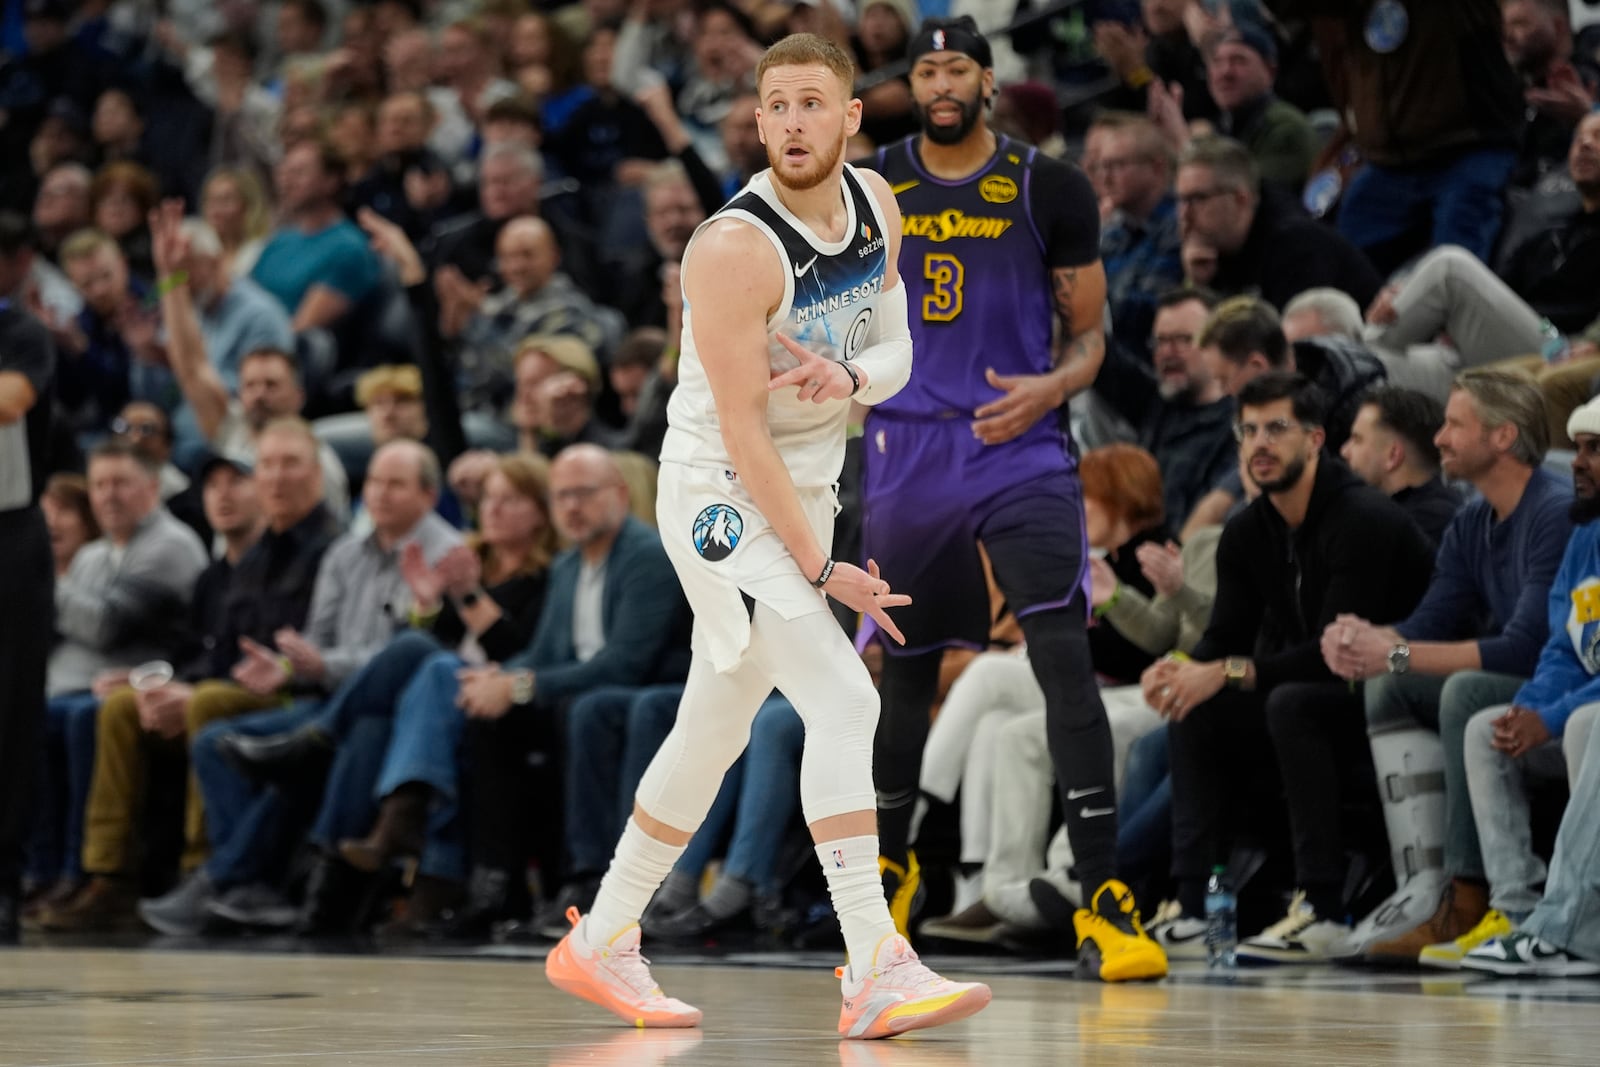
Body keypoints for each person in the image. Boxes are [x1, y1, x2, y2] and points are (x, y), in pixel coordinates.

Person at [545, 33, 992, 1039]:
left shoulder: (878, 205)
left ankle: (604, 933)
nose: (792, 122)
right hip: (717, 497)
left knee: (713, 726)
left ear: (849, 118)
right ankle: (875, 959)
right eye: (774, 106)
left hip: (801, 489)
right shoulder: (732, 247)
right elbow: (743, 434)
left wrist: (851, 379)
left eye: (810, 104)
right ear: (757, 123)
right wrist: (823, 564)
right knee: (842, 696)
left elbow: (898, 349)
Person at [864, 15, 1167, 982]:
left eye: (958, 65)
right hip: (907, 450)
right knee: (907, 675)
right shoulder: (872, 185)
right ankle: (890, 867)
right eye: (926, 67)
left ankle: (1106, 897)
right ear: (913, 85)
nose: (941, 80)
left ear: (990, 82)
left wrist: (1053, 385)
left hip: (1020, 445)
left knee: (1062, 660)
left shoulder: (1050, 184)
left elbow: (1089, 332)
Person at [0, 299, 56, 943]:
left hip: (9, 535)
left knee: (10, 714)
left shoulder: (19, 330)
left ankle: (5, 883)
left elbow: (11, 399)